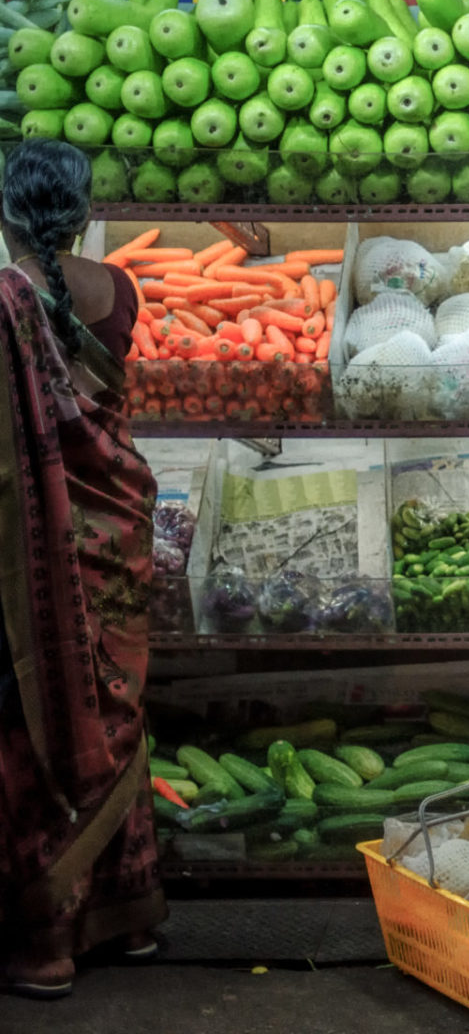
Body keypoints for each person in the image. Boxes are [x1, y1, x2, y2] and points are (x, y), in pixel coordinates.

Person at [0, 140, 164, 999]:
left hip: (40, 546)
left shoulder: (4, 302)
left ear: (6, 216)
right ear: (88, 211)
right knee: (114, 711)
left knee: (38, 719)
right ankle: (127, 918)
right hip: (117, 536)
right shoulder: (120, 291)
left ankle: (47, 943)